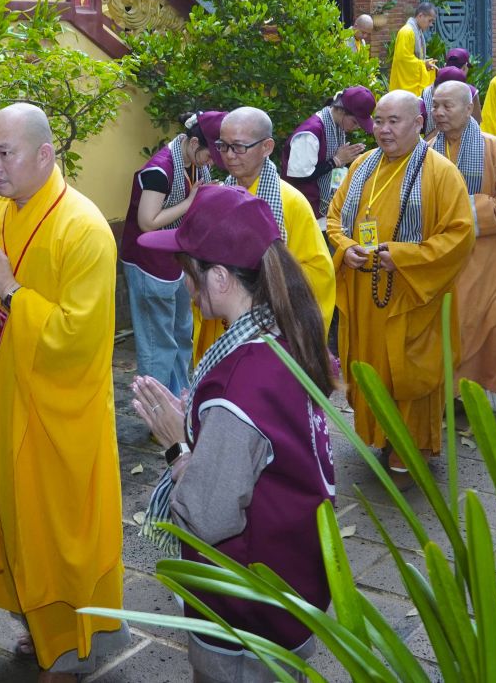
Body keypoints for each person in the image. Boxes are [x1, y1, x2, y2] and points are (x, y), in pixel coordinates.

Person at [0, 104, 125, 680]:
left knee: (57, 533)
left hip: (56, 412)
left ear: (45, 154)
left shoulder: (84, 229)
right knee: (3, 516)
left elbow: (79, 338)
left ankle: (71, 648)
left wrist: (11, 292)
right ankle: (32, 622)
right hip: (0, 400)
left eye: (6, 153)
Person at [129, 184, 337, 682]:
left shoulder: (239, 383)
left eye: (189, 271)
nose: (186, 284)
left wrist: (178, 445)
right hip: (293, 573)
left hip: (246, 604)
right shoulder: (283, 335)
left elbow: (209, 515)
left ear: (219, 277)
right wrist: (201, 419)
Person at [326, 90, 474, 469]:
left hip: (412, 295)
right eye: (379, 121)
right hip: (365, 293)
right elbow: (335, 217)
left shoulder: (440, 172)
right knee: (369, 364)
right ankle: (380, 433)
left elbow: (459, 235)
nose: (384, 130)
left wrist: (404, 257)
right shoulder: (363, 165)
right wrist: (346, 247)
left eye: (394, 121)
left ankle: (412, 447)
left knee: (410, 368)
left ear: (418, 123)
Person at [193, 107, 336, 363]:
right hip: (223, 325)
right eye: (223, 146)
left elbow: (318, 273)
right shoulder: (220, 196)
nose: (229, 156)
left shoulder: (290, 202)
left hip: (272, 330)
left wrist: (259, 284)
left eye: (239, 147)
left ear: (267, 147)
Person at [429, 81, 496, 415]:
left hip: (486, 254)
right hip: (443, 256)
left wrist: (470, 212)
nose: (439, 113)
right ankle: (454, 392)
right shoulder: (426, 150)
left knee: (495, 321)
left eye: (447, 106)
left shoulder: (493, 148)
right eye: (435, 106)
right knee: (450, 325)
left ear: (469, 108)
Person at [119, 111, 224, 397]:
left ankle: (179, 398)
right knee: (158, 343)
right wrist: (191, 202)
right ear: (194, 143)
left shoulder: (193, 164)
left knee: (181, 333)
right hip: (149, 263)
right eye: (209, 156)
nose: (210, 163)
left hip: (177, 260)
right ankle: (156, 406)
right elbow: (147, 221)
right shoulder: (160, 169)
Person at [283, 87, 375, 217]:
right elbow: (298, 176)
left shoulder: (335, 127)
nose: (357, 127)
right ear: (340, 110)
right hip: (304, 211)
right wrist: (336, 161)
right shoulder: (310, 133)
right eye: (355, 122)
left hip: (322, 211)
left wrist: (351, 159)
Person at [388, 0, 438, 94]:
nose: (431, 24)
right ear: (420, 16)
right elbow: (403, 60)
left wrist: (425, 63)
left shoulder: (418, 32)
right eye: (430, 20)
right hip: (403, 88)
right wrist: (423, 64)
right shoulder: (407, 32)